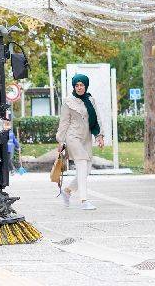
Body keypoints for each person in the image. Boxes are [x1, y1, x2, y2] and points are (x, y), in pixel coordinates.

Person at [56, 74, 104, 210]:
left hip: (86, 137)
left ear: (86, 85)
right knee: (82, 165)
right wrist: (60, 140)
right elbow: (64, 123)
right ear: (74, 86)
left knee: (87, 169)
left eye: (81, 85)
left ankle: (67, 191)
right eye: (76, 85)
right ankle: (84, 201)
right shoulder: (68, 101)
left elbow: (97, 119)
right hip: (73, 137)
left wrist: (99, 136)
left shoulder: (90, 99)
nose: (79, 87)